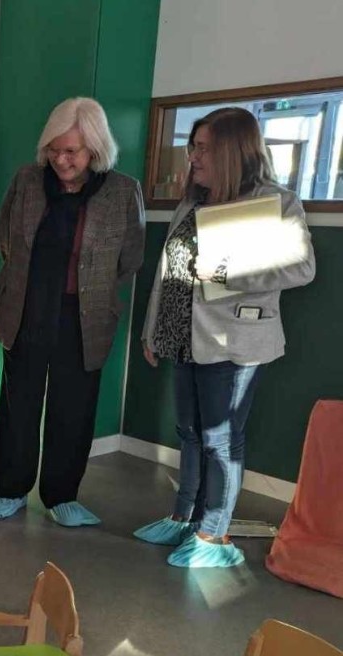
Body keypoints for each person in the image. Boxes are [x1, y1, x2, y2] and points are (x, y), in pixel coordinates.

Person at [136, 107, 315, 568]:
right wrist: (152, 329)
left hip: (233, 342)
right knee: (189, 432)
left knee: (220, 439)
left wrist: (230, 272)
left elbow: (302, 268)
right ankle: (184, 517)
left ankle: (213, 535)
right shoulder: (192, 201)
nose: (193, 157)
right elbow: (167, 272)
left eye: (203, 148)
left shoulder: (276, 202)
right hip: (182, 337)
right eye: (192, 147)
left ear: (233, 151)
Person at [0, 97, 145, 526]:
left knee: (73, 408)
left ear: (95, 148)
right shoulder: (27, 181)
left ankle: (62, 497)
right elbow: (6, 238)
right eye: (54, 150)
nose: (60, 160)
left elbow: (129, 258)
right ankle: (10, 490)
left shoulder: (122, 191)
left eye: (71, 151)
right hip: (27, 309)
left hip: (84, 316)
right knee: (18, 404)